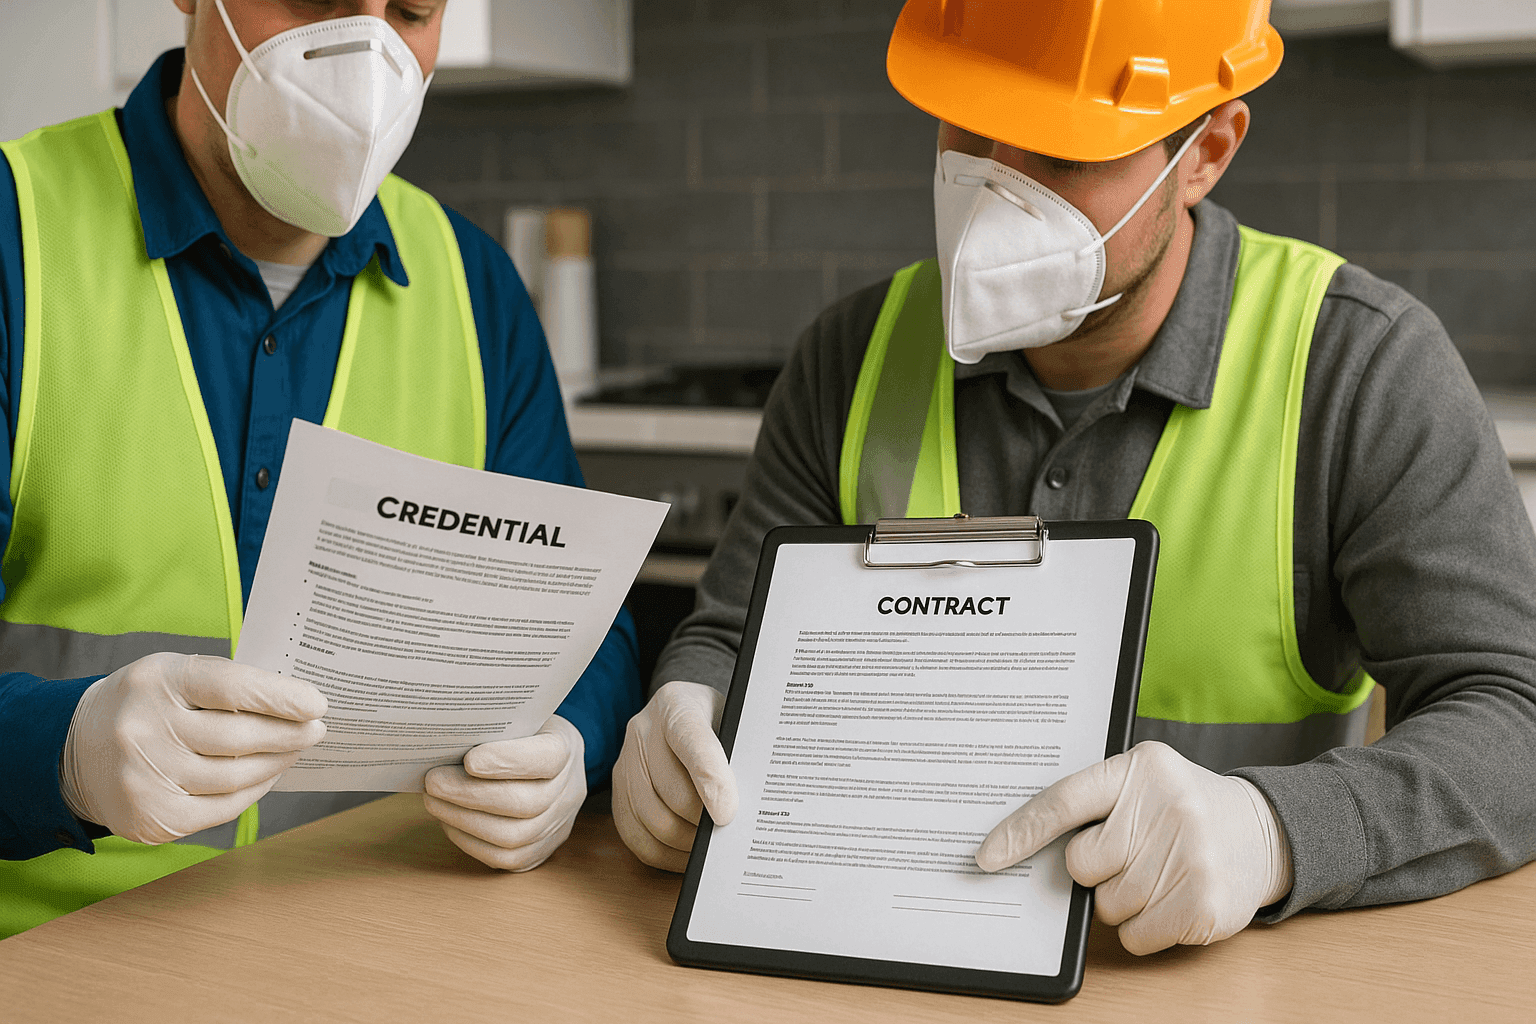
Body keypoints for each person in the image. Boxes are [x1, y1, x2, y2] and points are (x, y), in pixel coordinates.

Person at [610, 0, 1536, 956]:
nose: (997, 194)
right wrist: (688, 702)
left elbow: (1516, 718)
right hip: (887, 957)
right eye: (971, 133)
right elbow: (733, 636)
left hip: (1207, 982)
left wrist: (1274, 832)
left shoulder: (1358, 367)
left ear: (1208, 150)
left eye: (1063, 153)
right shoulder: (853, 354)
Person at [0, 0, 642, 938]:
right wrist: (61, 752)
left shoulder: (476, 288)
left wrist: (569, 742)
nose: (368, 49)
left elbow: (590, 621)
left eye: (413, 12)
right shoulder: (17, 243)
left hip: (375, 949)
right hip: (53, 952)